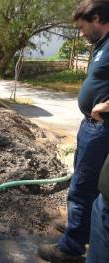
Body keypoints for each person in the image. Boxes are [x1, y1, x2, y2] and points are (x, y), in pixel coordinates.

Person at [38, 0, 109, 261]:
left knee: (81, 186)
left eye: (82, 27)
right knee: (83, 181)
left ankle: (70, 248)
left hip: (102, 129)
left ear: (98, 18)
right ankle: (81, 229)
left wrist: (106, 105)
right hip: (91, 127)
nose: (80, 33)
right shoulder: (101, 45)